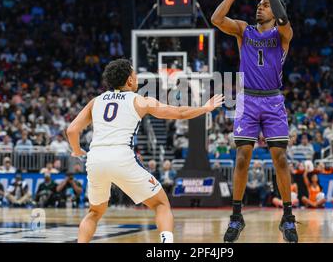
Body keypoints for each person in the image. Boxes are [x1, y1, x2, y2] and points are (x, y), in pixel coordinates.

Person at [66, 58, 224, 243]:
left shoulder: (96, 101)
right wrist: (205, 108)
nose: (137, 77)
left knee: (94, 212)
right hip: (121, 157)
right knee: (161, 203)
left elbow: (72, 130)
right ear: (129, 80)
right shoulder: (140, 101)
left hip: (95, 159)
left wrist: (77, 150)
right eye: (134, 73)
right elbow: (179, 113)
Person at [211, 0, 298, 242]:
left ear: (274, 10)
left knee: (280, 159)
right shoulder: (243, 30)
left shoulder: (283, 34)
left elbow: (283, 18)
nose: (259, 9)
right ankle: (236, 217)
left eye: (264, 6)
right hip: (247, 99)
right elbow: (216, 19)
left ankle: (287, 217)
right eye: (258, 5)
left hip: (273, 100)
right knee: (241, 159)